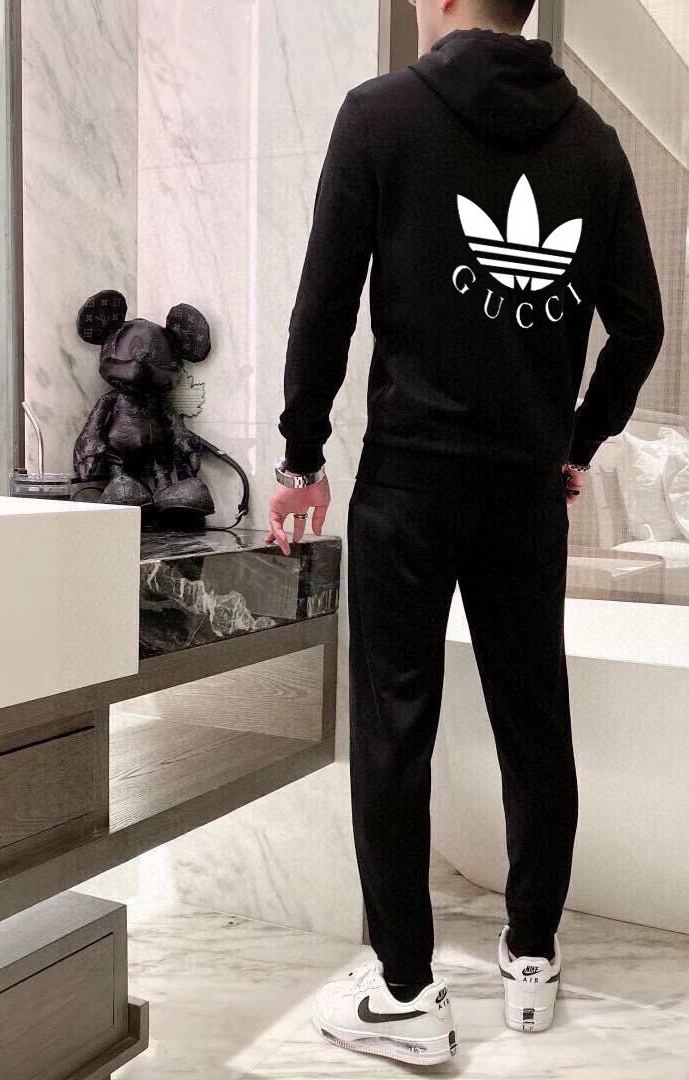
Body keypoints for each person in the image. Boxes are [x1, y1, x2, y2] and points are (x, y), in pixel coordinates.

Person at [267, 0, 663, 1065]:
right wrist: (578, 439)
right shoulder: (594, 144)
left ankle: (405, 990)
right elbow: (642, 324)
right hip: (524, 491)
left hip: (409, 483)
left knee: (394, 729)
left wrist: (301, 455)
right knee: (534, 719)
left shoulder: (380, 116)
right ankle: (530, 958)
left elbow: (324, 304)